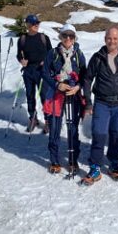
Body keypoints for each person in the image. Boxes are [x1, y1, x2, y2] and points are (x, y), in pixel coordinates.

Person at [81, 27, 118, 185]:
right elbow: (87, 79)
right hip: (102, 103)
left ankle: (113, 165)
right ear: (104, 39)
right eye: (109, 38)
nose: (111, 41)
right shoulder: (98, 58)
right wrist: (88, 102)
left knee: (115, 136)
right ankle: (95, 167)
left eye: (115, 38)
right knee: (99, 135)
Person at [41, 24, 86, 174]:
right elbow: (45, 73)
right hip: (56, 94)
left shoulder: (79, 55)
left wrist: (78, 87)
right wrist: (56, 84)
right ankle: (54, 160)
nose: (68, 38)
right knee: (54, 127)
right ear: (60, 37)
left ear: (74, 38)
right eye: (65, 35)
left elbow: (85, 76)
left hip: (73, 95)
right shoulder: (53, 53)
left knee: (72, 127)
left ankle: (73, 159)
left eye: (71, 36)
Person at [17, 14, 52, 132]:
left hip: (42, 71)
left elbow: (51, 54)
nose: (36, 25)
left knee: (44, 96)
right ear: (27, 25)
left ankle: (48, 121)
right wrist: (22, 60)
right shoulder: (22, 39)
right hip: (28, 71)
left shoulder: (43, 38)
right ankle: (33, 118)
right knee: (30, 96)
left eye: (37, 23)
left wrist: (45, 62)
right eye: (33, 23)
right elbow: (19, 54)